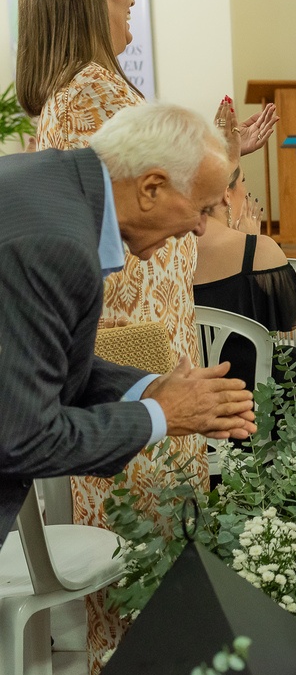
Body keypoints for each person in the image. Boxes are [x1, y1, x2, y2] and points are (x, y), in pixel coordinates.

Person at [14, 0, 275, 672]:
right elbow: (131, 216)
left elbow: (156, 189)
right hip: (131, 342)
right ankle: (135, 655)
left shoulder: (89, 90)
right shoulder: (89, 94)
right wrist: (155, 389)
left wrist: (220, 151)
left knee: (163, 527)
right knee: (147, 528)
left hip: (144, 338)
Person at [0, 103, 258, 546]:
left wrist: (150, 389)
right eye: (201, 208)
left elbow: (37, 359)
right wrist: (161, 414)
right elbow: (24, 437)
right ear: (152, 188)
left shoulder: (49, 181)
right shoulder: (59, 245)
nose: (200, 228)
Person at [194, 166, 296, 405]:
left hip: (195, 394)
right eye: (243, 182)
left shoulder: (170, 255)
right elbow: (288, 322)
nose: (247, 193)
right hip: (253, 397)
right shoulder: (258, 250)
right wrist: (250, 241)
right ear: (226, 193)